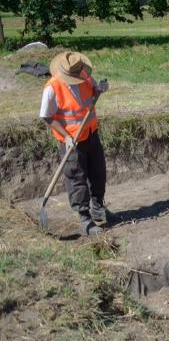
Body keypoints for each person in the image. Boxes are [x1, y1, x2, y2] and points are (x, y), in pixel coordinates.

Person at [40, 52, 110, 235]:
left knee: (98, 172)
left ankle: (98, 208)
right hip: (70, 140)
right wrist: (66, 136)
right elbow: (47, 117)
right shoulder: (52, 88)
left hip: (90, 133)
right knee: (76, 177)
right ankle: (84, 218)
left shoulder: (84, 75)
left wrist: (100, 89)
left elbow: (93, 94)